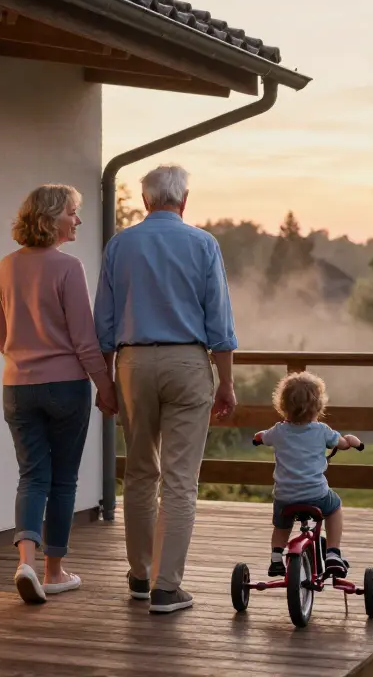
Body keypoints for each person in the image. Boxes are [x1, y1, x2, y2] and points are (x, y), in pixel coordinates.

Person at [94, 164, 237, 614]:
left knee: (138, 473)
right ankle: (166, 587)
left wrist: (106, 382)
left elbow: (105, 322)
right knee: (179, 479)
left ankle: (139, 576)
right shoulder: (203, 244)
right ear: (185, 200)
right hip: (188, 362)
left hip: (133, 363)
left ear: (145, 201)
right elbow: (220, 321)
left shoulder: (120, 245)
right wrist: (227, 382)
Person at [0, 184, 119, 605]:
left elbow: (0, 336)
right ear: (51, 218)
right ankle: (54, 571)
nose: (77, 220)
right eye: (72, 212)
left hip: (17, 386)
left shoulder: (6, 267)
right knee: (63, 480)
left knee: (32, 476)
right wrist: (107, 388)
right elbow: (85, 340)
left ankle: (25, 562)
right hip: (66, 386)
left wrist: (25, 360)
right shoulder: (69, 268)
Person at [253, 371, 360, 579]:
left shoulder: (278, 431)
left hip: (285, 495)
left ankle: (276, 558)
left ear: (282, 405)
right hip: (316, 494)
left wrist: (257, 438)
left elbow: (262, 437)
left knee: (282, 524)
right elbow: (343, 444)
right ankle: (333, 553)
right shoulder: (322, 430)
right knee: (334, 507)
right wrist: (352, 441)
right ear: (318, 406)